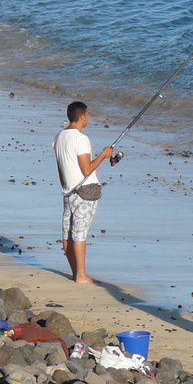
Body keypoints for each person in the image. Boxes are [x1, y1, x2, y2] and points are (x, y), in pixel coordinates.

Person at [53, 100, 114, 284]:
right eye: (87, 115)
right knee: (79, 234)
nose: (88, 118)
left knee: (67, 235)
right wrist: (104, 155)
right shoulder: (81, 139)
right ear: (81, 117)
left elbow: (60, 169)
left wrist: (65, 187)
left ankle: (76, 273)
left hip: (68, 191)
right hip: (84, 192)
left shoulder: (58, 137)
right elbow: (87, 169)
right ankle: (81, 275)